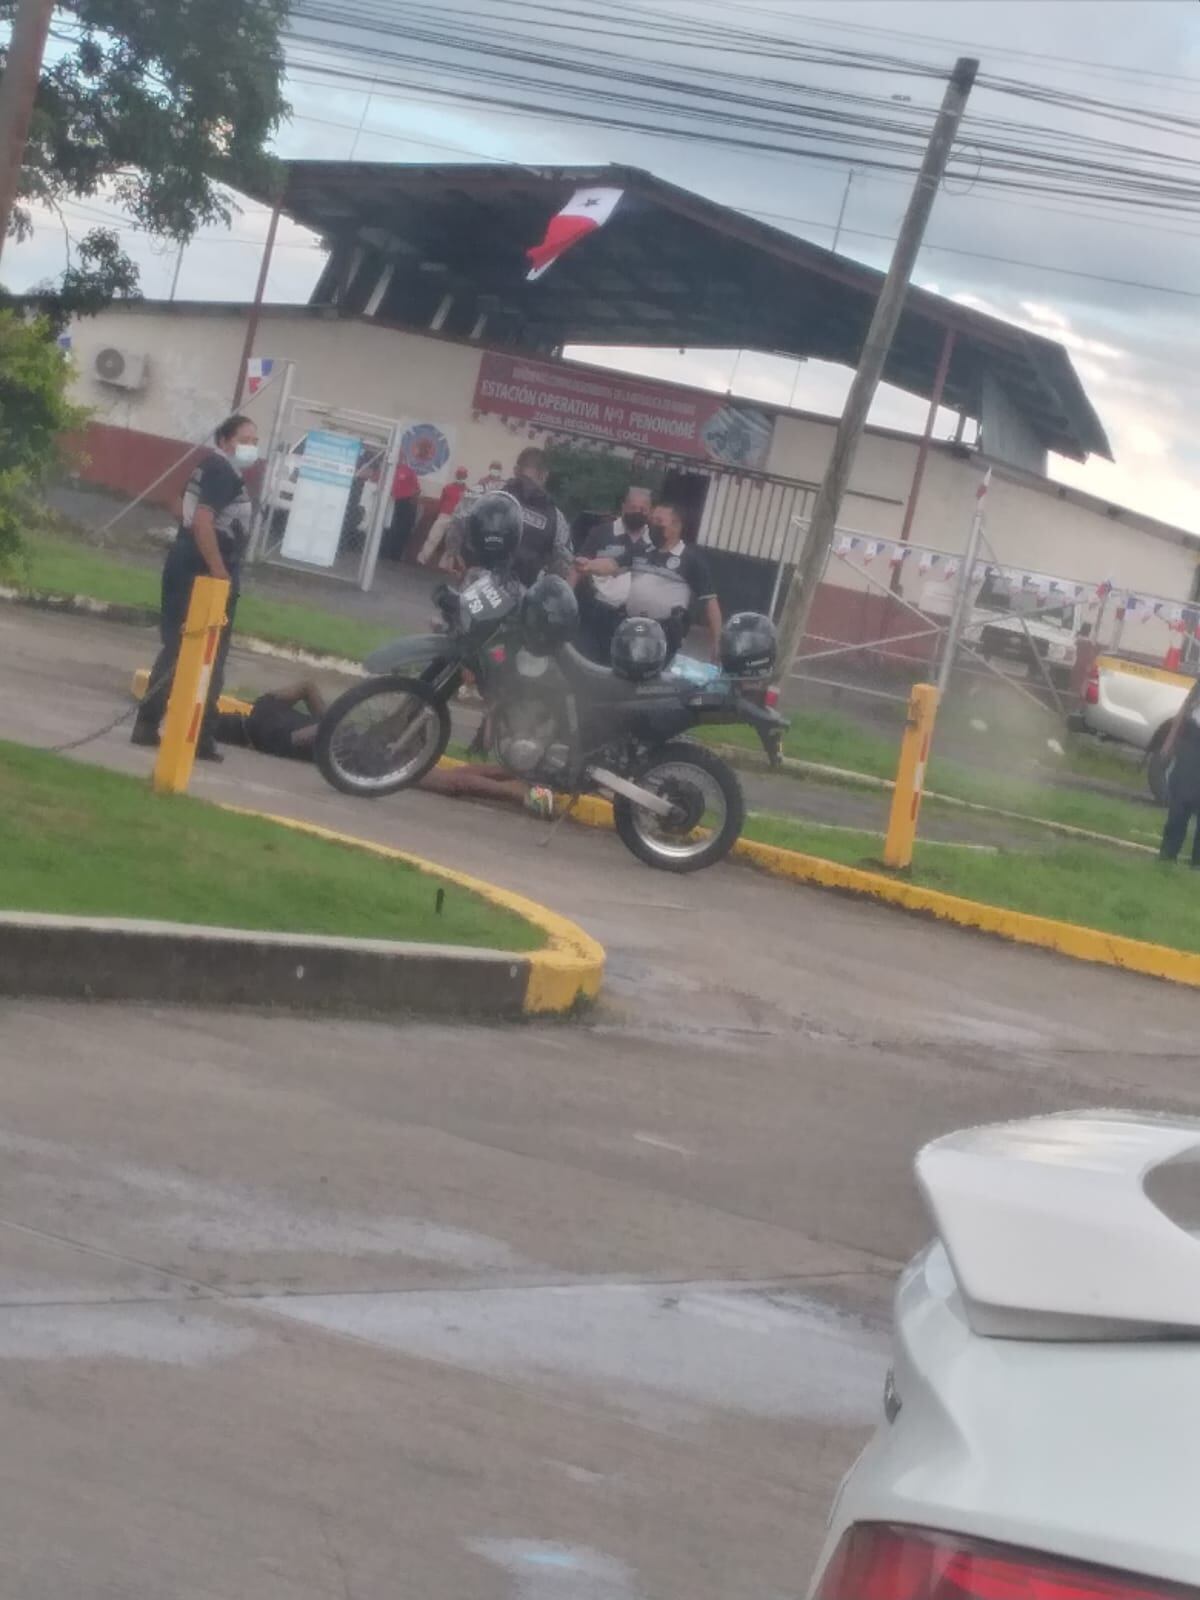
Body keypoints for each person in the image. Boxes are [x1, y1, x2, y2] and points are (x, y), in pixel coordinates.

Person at [213, 680, 553, 816]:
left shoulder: (264, 737)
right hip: (359, 737)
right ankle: (528, 770)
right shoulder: (261, 706)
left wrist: (329, 734)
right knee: (448, 773)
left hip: (361, 758)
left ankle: (525, 795)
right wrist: (334, 719)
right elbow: (307, 687)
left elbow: (304, 739)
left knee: (450, 784)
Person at [131, 413, 258, 760]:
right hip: (204, 571)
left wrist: (190, 531)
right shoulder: (222, 472)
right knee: (204, 652)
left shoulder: (208, 467)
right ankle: (198, 733)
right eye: (244, 440)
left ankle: (165, 725)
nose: (251, 447)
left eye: (254, 441)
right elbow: (203, 519)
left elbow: (177, 502)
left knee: (181, 647)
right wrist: (218, 570)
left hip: (186, 559)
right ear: (224, 441)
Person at [444, 446, 573, 589]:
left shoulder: (490, 491)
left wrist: (453, 551)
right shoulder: (556, 516)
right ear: (545, 475)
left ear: (516, 470)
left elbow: (459, 517)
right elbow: (563, 562)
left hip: (477, 586)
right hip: (520, 595)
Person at [626, 500, 722, 662]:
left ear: (676, 526)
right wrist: (589, 564)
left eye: (659, 521)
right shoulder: (641, 550)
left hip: (665, 634)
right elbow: (612, 565)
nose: (652, 525)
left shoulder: (691, 559)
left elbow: (711, 604)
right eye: (652, 520)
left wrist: (717, 644)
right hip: (632, 628)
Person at [571, 486, 653, 662]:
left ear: (650, 511)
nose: (638, 512)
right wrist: (567, 596)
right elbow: (578, 567)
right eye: (633, 507)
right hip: (596, 611)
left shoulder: (654, 540)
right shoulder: (602, 532)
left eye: (643, 509)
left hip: (633, 620)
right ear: (623, 507)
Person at [1158, 677, 1200, 864]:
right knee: (1179, 806)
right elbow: (1184, 710)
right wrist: (1169, 742)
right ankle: (1167, 856)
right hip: (1192, 741)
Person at [418, 466, 471, 566]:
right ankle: (422, 559)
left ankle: (444, 565)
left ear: (466, 477)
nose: (461, 477)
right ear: (456, 475)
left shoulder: (467, 491)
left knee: (452, 541)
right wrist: (437, 513)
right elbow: (441, 501)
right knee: (433, 537)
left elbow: (466, 506)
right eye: (459, 475)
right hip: (444, 515)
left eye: (463, 475)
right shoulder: (448, 487)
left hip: (457, 518)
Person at [383, 459, 422, 560]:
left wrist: (409, 498)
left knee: (400, 529)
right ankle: (383, 552)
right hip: (388, 501)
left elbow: (417, 489)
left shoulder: (408, 471)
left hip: (403, 503)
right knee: (386, 527)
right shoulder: (388, 469)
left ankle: (395, 554)